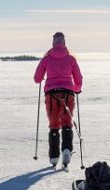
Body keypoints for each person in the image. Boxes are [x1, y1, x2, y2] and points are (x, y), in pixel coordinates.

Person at [33, 32, 83, 167]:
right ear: (64, 43)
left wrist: (44, 77)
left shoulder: (47, 59)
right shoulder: (71, 59)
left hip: (51, 94)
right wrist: (77, 89)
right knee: (67, 122)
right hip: (68, 93)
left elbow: (37, 78)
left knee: (54, 124)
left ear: (53, 43)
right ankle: (66, 149)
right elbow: (78, 78)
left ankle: (54, 156)